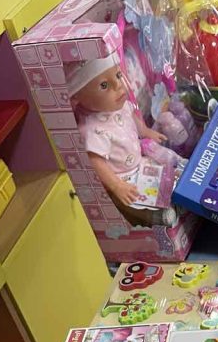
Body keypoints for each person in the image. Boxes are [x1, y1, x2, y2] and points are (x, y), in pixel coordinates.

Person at [66, 53, 183, 228]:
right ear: (78, 97)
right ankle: (155, 217)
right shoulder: (92, 129)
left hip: (140, 164)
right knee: (128, 201)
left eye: (118, 75)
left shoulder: (116, 105)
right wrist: (116, 186)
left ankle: (177, 198)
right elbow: (95, 161)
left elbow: (132, 117)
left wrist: (145, 131)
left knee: (163, 179)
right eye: (104, 85)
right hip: (120, 177)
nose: (118, 85)